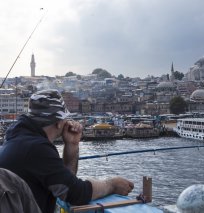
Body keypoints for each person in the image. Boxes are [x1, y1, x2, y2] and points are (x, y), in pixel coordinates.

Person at [0, 89, 134, 213]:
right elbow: (76, 194)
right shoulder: (36, 149)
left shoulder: (16, 139)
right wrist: (112, 184)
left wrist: (72, 145)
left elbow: (64, 186)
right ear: (59, 122)